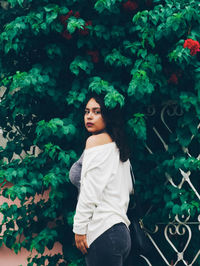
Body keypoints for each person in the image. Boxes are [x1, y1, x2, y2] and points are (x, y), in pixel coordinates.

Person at [69, 93, 133, 266]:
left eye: (97, 111)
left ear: (108, 115)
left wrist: (80, 229)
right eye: (87, 111)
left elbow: (90, 191)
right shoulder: (118, 145)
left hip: (103, 231)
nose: (89, 116)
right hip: (120, 232)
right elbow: (128, 189)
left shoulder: (95, 142)